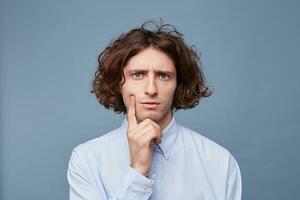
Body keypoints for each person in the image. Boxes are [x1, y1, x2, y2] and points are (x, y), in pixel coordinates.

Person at [67, 20, 242, 200]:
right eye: (138, 75)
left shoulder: (220, 162)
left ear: (178, 84)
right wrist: (137, 172)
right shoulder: (87, 159)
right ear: (118, 83)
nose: (151, 89)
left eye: (163, 76)